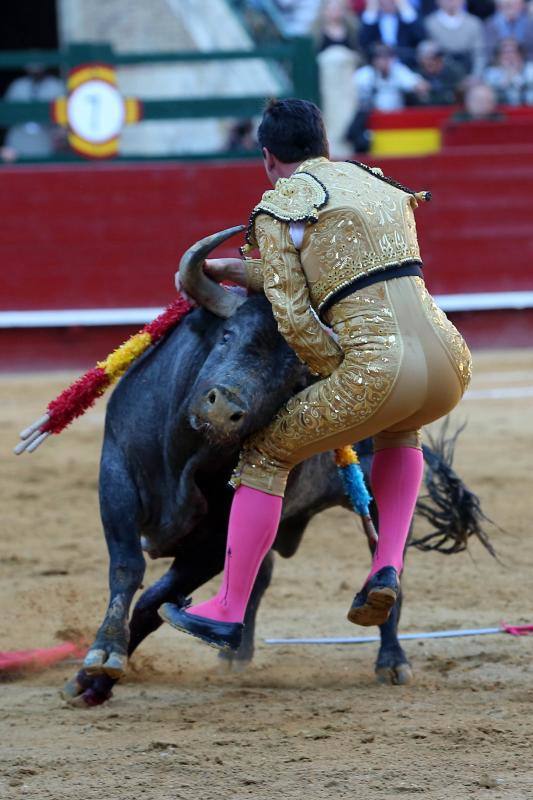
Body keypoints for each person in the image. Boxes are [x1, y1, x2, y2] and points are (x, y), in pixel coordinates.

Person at [160, 98, 472, 651]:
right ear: (324, 144)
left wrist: (343, 377)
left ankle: (229, 607)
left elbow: (294, 314)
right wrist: (241, 270)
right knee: (402, 429)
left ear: (267, 157)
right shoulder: (376, 180)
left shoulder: (282, 204)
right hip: (448, 360)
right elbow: (338, 262)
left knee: (266, 455)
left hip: (378, 369)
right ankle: (386, 566)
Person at [354, 43, 430, 110]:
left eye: (387, 57)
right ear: (373, 60)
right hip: (371, 119)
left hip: (395, 118)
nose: (384, 61)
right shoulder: (364, 74)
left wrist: (419, 86)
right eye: (380, 57)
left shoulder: (398, 70)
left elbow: (415, 83)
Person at [424, 0, 487, 76]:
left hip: (469, 75)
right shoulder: (429, 23)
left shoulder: (474, 23)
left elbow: (479, 55)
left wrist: (475, 76)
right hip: (440, 76)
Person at [359, 0, 426, 67]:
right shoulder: (372, 20)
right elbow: (363, 42)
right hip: (378, 66)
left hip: (406, 63)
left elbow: (421, 37)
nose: (387, 3)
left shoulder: (407, 19)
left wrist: (405, 9)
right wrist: (372, 10)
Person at [414, 39, 466, 104]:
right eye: (428, 58)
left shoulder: (454, 72)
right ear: (420, 59)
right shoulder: (414, 76)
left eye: (436, 57)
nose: (433, 62)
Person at [484, 37, 533, 104]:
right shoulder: (491, 73)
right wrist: (507, 75)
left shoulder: (530, 69)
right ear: (498, 56)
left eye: (513, 52)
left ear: (521, 54)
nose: (509, 56)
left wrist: (516, 75)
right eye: (505, 52)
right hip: (500, 111)